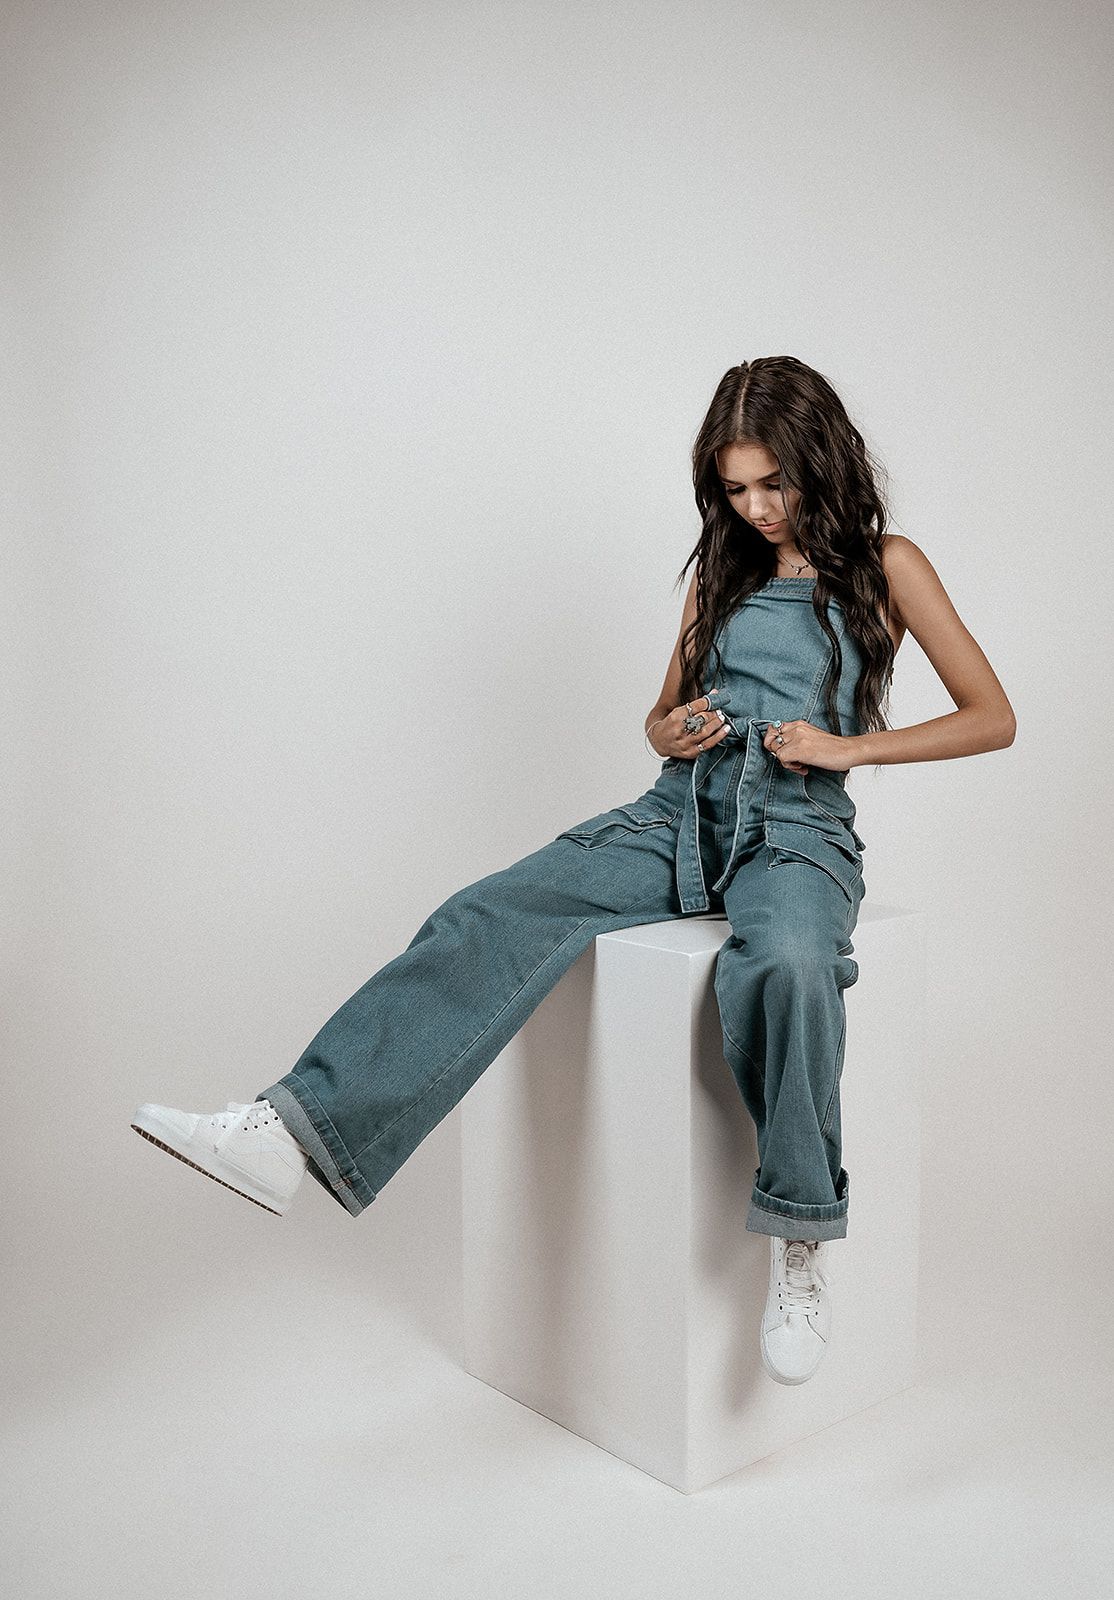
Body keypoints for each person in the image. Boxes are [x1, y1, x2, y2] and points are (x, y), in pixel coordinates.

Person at [132, 355, 1016, 1385]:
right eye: (733, 489)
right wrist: (672, 730)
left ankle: (799, 1237)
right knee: (486, 913)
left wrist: (844, 748)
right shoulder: (718, 572)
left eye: (774, 482)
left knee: (788, 965)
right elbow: (658, 710)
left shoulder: (886, 563)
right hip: (675, 814)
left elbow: (991, 716)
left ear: (821, 458)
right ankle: (291, 1129)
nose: (757, 508)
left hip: (796, 828)